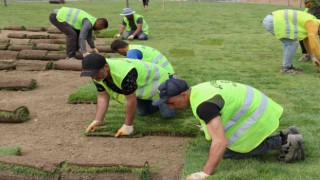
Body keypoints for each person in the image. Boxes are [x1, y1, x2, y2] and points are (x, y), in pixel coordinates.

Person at [152, 79, 305, 179]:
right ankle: (287, 134)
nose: (169, 107)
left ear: (184, 95)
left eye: (170, 102)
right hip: (260, 105)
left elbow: (220, 141)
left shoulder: (204, 106)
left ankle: (284, 141)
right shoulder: (198, 91)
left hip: (258, 114)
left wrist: (204, 173)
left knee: (227, 152)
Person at [80, 54, 176, 137]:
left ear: (106, 66)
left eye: (95, 74)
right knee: (142, 112)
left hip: (160, 79)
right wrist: (97, 121)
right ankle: (158, 102)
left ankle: (176, 89)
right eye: (91, 75)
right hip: (142, 86)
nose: (93, 77)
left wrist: (127, 126)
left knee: (167, 114)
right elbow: (102, 97)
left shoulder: (124, 73)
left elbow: (131, 100)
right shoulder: (97, 75)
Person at [263, 9, 320, 73]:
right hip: (273, 21)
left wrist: (313, 57)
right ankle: (286, 69)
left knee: (290, 43)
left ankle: (287, 66)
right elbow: (314, 43)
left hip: (271, 19)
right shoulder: (312, 24)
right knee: (292, 44)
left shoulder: (313, 21)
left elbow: (306, 41)